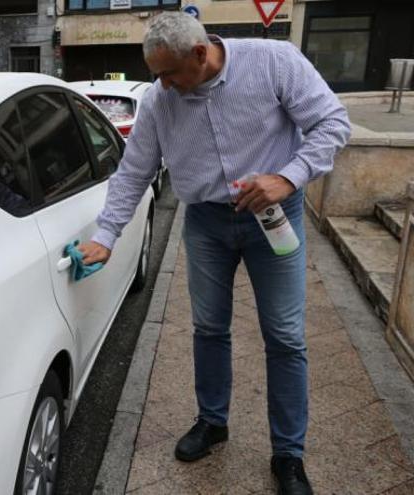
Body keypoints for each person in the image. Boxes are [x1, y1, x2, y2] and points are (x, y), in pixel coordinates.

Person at [76, 12, 350, 495]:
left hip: (273, 216)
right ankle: (212, 421)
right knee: (208, 327)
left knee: (285, 336)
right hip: (204, 221)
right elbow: (135, 170)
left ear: (201, 55)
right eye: (156, 74)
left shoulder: (274, 63)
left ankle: (288, 454)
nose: (161, 85)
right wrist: (107, 233)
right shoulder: (162, 100)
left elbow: (332, 122)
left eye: (168, 73)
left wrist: (288, 176)